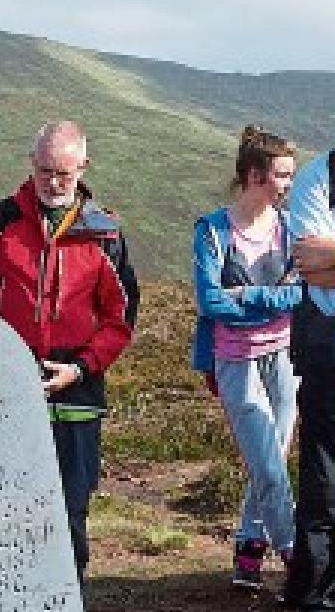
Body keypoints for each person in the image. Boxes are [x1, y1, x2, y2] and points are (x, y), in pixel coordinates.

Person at [0, 120, 138, 583]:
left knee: (72, 508)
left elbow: (121, 317)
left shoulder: (104, 232)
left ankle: (67, 592)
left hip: (78, 391)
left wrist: (81, 367)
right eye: (44, 172)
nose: (54, 183)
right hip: (8, 388)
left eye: (64, 173)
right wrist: (1, 362)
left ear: (83, 167)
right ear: (31, 165)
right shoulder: (0, 221)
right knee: (6, 503)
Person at [191, 125, 300, 590]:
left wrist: (251, 295)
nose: (288, 185)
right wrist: (273, 299)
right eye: (282, 175)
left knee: (269, 460)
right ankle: (302, 563)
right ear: (255, 176)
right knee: (271, 467)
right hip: (235, 361)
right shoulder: (213, 231)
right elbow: (211, 303)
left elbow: (300, 293)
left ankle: (249, 549)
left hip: (285, 359)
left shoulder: (288, 227)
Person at [282, 142, 335, 609]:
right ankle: (316, 589)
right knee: (323, 473)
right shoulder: (317, 179)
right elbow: (310, 264)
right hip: (326, 349)